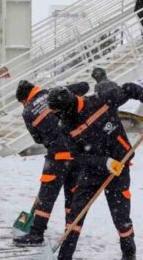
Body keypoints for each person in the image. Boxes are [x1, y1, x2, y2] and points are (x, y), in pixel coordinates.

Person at [44, 82, 143, 260]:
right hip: (92, 170)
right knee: (76, 213)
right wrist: (104, 162)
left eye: (58, 112)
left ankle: (129, 253)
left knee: (120, 215)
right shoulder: (66, 125)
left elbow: (131, 89)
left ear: (66, 107)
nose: (56, 116)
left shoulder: (101, 100)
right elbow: (77, 155)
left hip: (119, 167)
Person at [12, 80, 89, 246]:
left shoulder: (28, 111)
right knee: (72, 195)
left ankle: (36, 233)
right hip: (77, 153)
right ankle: (70, 232)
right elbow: (84, 87)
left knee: (46, 197)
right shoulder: (52, 93)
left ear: (24, 99)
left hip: (57, 157)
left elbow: (38, 139)